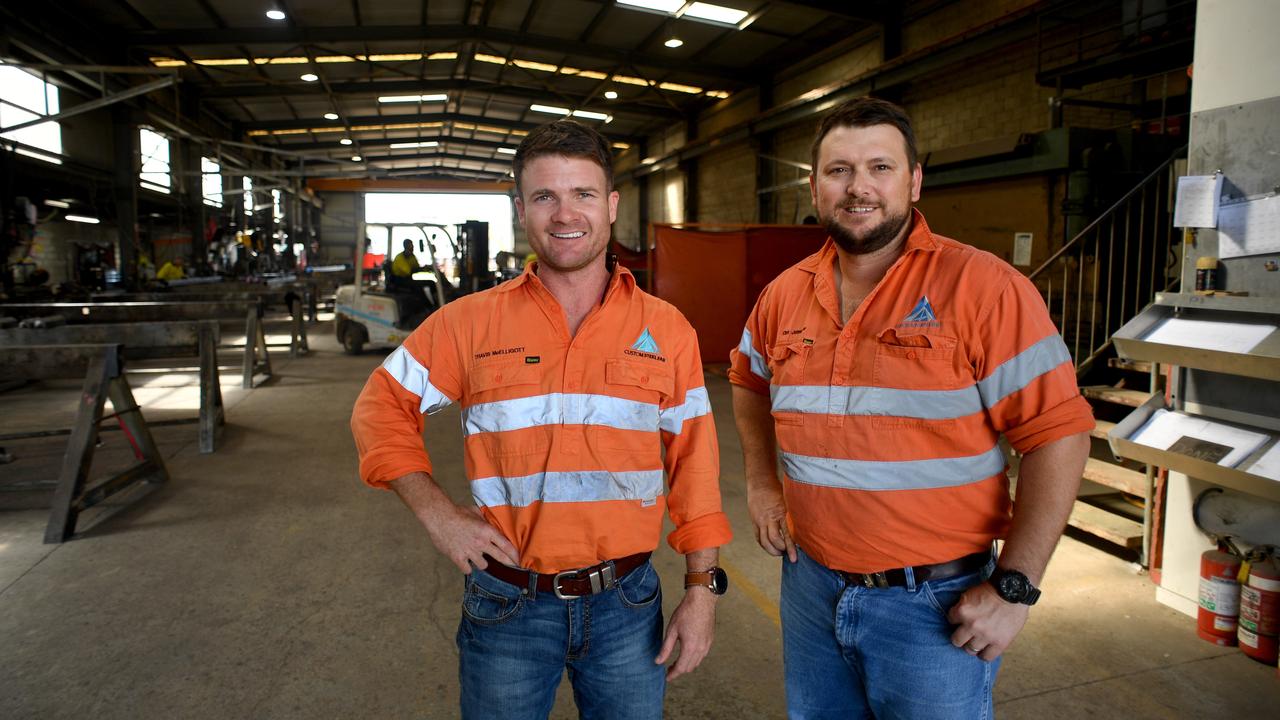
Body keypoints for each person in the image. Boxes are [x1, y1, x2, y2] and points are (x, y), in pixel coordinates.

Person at [351, 119, 731, 720]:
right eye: (544, 196)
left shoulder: (668, 330)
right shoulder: (468, 324)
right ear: (521, 209)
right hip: (508, 603)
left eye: (582, 193)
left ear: (610, 205)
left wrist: (701, 590)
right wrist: (437, 515)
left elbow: (696, 467)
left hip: (627, 605)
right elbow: (380, 406)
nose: (565, 214)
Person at [728, 97, 1093, 719]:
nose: (858, 187)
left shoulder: (985, 289)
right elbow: (747, 382)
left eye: (880, 167)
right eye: (839, 170)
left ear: (914, 180)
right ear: (815, 184)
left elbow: (1058, 433)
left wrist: (1015, 586)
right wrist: (763, 488)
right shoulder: (783, 295)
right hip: (810, 587)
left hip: (934, 605)